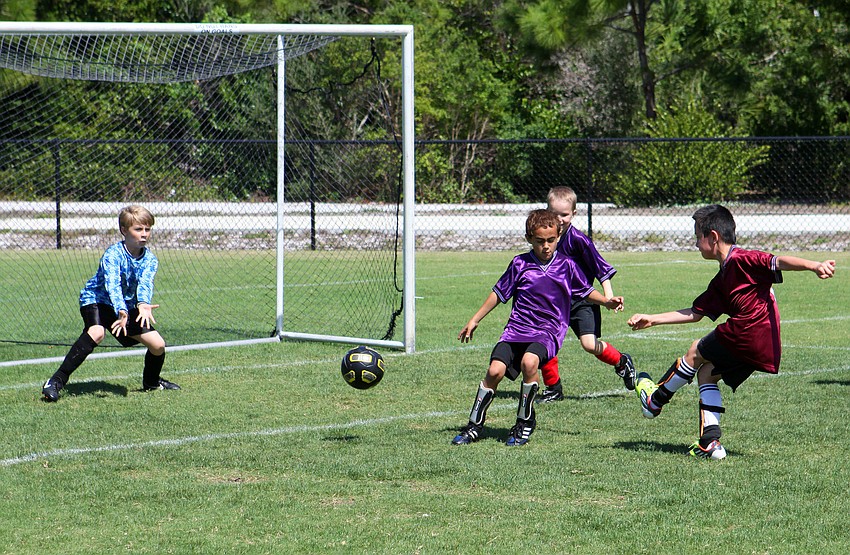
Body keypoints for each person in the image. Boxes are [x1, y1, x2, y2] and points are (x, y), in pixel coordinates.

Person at [627, 204, 835, 459]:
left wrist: (814, 265)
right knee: (706, 373)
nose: (695, 244)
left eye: (697, 236)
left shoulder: (743, 258)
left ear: (712, 236)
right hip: (765, 344)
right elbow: (695, 312)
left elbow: (778, 261)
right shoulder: (722, 278)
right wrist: (653, 319)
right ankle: (710, 443)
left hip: (746, 331)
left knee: (695, 349)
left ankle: (655, 401)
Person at [452, 209, 623, 446]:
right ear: (529, 238)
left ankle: (525, 421)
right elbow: (498, 293)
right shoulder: (520, 263)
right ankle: (474, 425)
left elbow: (585, 291)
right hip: (517, 329)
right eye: (540, 241)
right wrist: (475, 319)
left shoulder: (567, 265)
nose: (546, 246)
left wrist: (606, 301)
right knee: (494, 371)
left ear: (558, 236)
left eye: (551, 240)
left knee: (529, 363)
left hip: (548, 330)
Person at [41, 205, 180, 402]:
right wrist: (122, 310)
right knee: (96, 333)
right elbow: (112, 285)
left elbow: (145, 284)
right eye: (138, 229)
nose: (144, 234)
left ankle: (151, 383)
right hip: (96, 299)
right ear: (124, 230)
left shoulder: (150, 259)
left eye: (147, 229)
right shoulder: (113, 254)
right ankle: (55, 381)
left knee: (158, 345)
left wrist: (142, 304)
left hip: (123, 306)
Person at [537, 186, 636, 403]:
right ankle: (553, 388)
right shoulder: (545, 238)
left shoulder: (578, 240)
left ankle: (621, 362)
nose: (559, 219)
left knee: (589, 344)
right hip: (554, 303)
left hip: (583, 301)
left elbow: (601, 268)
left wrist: (608, 296)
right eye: (554, 213)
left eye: (564, 214)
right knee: (545, 341)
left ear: (573, 214)